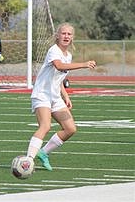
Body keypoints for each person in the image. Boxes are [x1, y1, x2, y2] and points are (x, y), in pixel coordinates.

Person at [26, 23, 96, 171]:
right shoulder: (54, 51)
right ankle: (28, 161)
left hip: (55, 97)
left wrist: (65, 95)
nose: (66, 36)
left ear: (72, 37)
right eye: (63, 33)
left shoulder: (68, 55)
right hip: (42, 95)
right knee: (45, 126)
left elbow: (58, 79)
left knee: (70, 129)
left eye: (69, 34)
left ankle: (43, 153)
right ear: (57, 36)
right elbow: (59, 66)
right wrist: (83, 64)